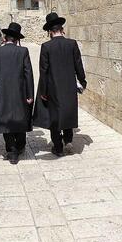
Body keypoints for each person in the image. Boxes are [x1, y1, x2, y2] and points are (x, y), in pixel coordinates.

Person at [34, 12, 87, 157]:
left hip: (53, 88)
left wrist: (43, 92)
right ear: (62, 29)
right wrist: (82, 81)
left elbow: (43, 71)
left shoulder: (46, 47)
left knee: (55, 116)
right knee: (68, 112)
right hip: (69, 86)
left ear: (50, 32)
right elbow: (78, 65)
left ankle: (58, 147)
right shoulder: (72, 44)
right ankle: (68, 141)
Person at [0, 22, 35, 164]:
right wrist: (30, 95)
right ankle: (20, 145)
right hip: (20, 93)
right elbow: (28, 74)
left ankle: (12, 151)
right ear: (17, 39)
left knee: (5, 120)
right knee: (20, 117)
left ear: (4, 38)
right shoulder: (23, 51)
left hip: (2, 94)